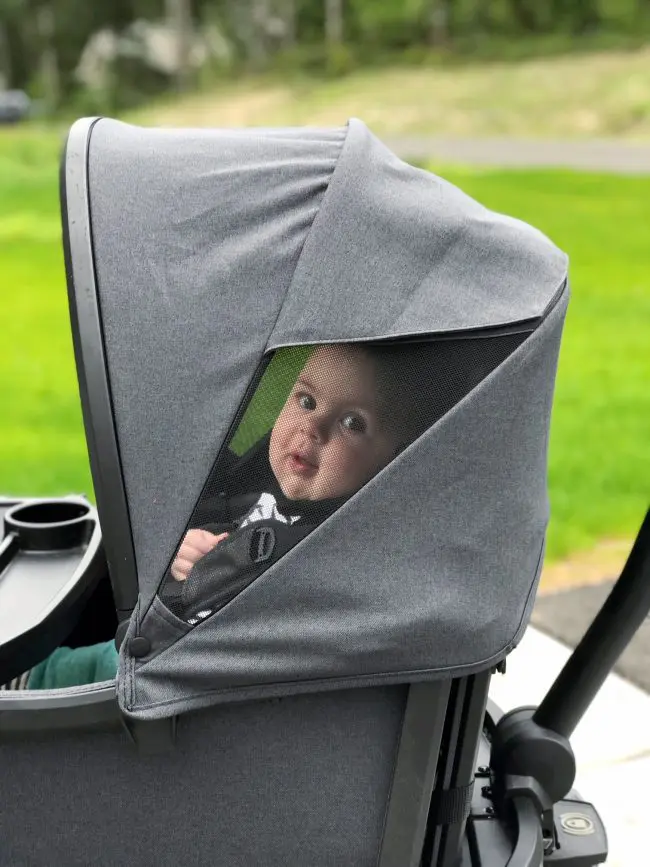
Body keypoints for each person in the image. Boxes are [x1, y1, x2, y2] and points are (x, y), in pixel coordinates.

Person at [1, 341, 431, 690]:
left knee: (75, 671)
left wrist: (209, 573)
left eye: (352, 423)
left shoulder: (333, 552)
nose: (312, 428)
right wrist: (187, 552)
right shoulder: (259, 497)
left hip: (159, 685)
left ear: (392, 460)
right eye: (305, 400)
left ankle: (30, 681)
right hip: (156, 644)